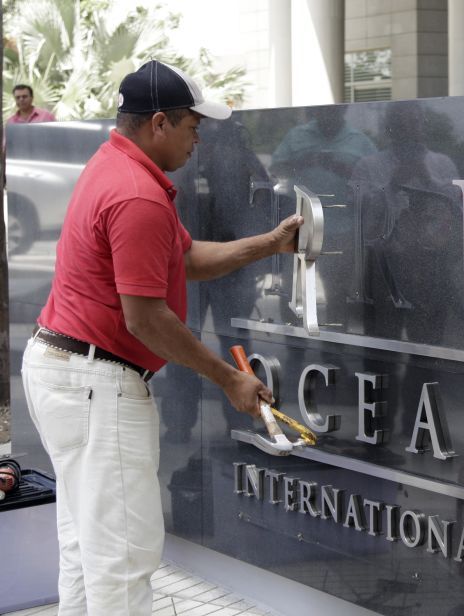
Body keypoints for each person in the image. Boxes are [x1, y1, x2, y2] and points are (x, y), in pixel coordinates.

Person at [20, 60, 302, 615]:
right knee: (123, 559)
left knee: (87, 548)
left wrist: (270, 243)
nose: (199, 139)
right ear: (158, 124)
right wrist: (228, 380)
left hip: (67, 372)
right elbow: (145, 318)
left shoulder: (116, 168)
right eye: (192, 127)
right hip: (96, 386)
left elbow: (187, 258)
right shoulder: (138, 196)